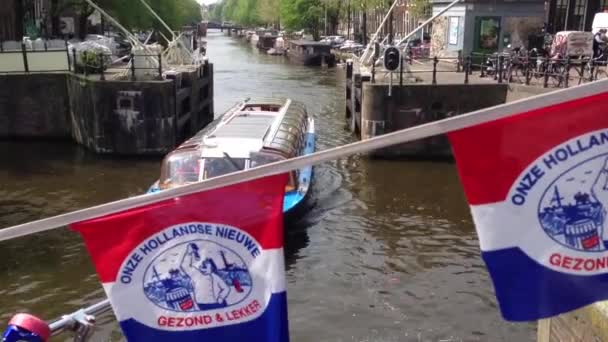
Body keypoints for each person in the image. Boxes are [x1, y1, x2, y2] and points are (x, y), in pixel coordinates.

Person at [181, 243, 231, 310]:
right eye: (201, 267)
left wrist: (221, 297)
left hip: (217, 303)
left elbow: (226, 288)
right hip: (202, 304)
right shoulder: (196, 274)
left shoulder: (215, 277)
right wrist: (189, 254)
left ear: (211, 267)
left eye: (205, 266)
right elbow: (185, 266)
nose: (203, 268)